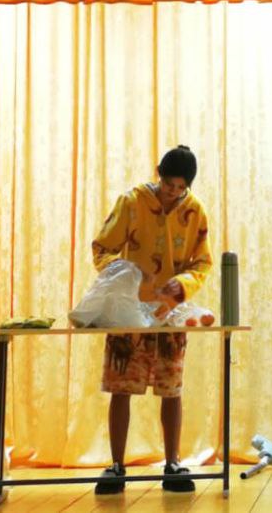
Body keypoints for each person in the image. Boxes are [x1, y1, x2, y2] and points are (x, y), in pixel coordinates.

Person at [90, 146, 213, 495]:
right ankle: (116, 466)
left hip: (169, 314)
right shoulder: (131, 203)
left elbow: (202, 263)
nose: (173, 192)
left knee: (171, 390)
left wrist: (184, 284)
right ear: (158, 173)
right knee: (121, 388)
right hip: (127, 311)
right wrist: (126, 274)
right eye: (168, 184)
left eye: (180, 187)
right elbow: (102, 248)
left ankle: (173, 463)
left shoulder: (196, 212)